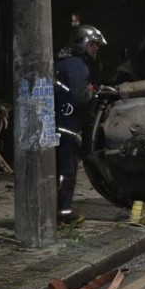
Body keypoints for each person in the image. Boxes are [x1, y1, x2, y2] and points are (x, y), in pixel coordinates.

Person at [54, 25, 107, 221]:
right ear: (84, 44)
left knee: (57, 170)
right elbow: (80, 95)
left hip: (57, 124)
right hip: (68, 126)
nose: (97, 49)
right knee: (66, 172)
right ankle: (63, 214)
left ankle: (55, 211)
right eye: (94, 45)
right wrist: (95, 92)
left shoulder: (62, 63)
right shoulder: (78, 66)